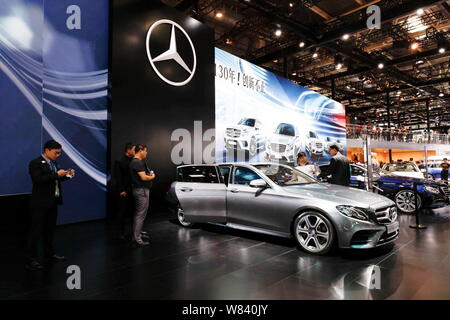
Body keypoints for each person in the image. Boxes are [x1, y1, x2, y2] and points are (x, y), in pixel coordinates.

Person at [26, 140, 75, 270]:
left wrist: (68, 175)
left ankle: (49, 254)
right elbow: (38, 180)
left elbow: (56, 178)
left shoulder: (54, 163)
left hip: (53, 202)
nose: (58, 155)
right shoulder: (35, 163)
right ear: (47, 150)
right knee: (36, 232)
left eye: (59, 153)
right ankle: (31, 259)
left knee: (49, 230)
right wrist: (56, 174)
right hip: (40, 203)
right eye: (56, 153)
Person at [129, 144, 155, 246]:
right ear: (140, 151)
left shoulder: (135, 162)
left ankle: (136, 234)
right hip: (141, 191)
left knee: (139, 214)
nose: (146, 153)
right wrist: (152, 176)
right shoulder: (137, 163)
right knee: (140, 215)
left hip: (139, 190)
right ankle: (137, 239)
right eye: (145, 151)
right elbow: (144, 178)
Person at [113, 142, 135, 240]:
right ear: (128, 150)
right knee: (121, 212)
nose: (135, 151)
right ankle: (120, 233)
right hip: (124, 191)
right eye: (134, 149)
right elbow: (118, 177)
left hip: (132, 190)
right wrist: (121, 190)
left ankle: (133, 232)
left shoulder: (133, 161)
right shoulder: (119, 161)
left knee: (132, 212)